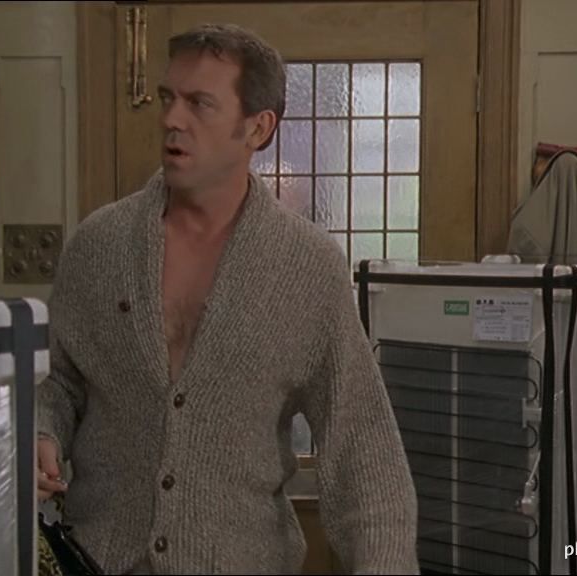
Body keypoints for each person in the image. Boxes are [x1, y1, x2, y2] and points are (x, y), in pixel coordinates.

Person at [36, 22, 419, 575]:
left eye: (199, 103)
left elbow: (362, 447)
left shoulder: (306, 267)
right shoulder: (100, 245)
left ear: (257, 128)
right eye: (168, 98)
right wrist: (42, 430)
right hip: (98, 560)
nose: (172, 119)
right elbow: (58, 380)